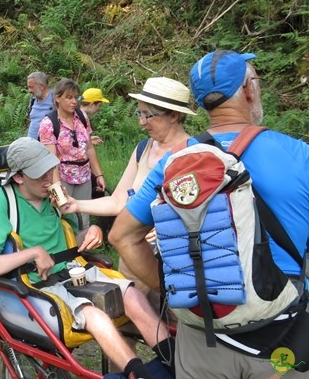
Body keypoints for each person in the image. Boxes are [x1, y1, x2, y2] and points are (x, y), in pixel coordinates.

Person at [109, 50, 309, 378]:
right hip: (283, 338)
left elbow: (121, 236)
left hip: (204, 338)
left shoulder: (175, 163)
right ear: (248, 89)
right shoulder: (299, 156)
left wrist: (173, 289)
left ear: (201, 104)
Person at [0, 137, 172, 379]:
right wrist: (33, 252)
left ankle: (173, 360)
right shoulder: (1, 204)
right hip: (35, 285)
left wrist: (91, 232)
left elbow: (71, 240)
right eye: (40, 175)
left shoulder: (54, 198)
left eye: (50, 170)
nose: (49, 179)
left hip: (72, 270)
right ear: (18, 177)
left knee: (131, 294)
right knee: (94, 314)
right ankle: (138, 374)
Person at [63, 77, 196, 311]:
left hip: (175, 258)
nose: (141, 123)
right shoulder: (143, 149)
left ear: (174, 115)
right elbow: (118, 201)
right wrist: (76, 205)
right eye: (139, 113)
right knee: (128, 317)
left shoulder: (194, 154)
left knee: (178, 321)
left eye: (148, 116)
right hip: (134, 253)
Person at [39, 79, 105, 230]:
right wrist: (56, 190)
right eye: (69, 97)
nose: (74, 101)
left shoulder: (82, 117)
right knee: (64, 217)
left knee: (84, 216)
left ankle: (84, 250)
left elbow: (89, 148)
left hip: (84, 176)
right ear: (57, 98)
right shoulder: (48, 124)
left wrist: (99, 175)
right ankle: (65, 250)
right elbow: (52, 159)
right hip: (63, 177)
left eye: (76, 97)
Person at [26, 71, 54, 139]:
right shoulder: (33, 99)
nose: (29, 90)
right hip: (30, 144)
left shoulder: (55, 98)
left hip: (46, 145)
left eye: (31, 87)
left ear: (41, 86)